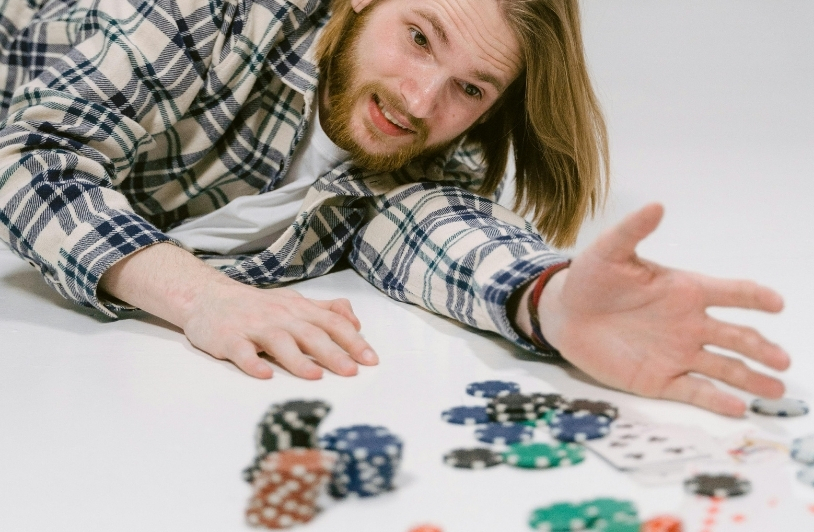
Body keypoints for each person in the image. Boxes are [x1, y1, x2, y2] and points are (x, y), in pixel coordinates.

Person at [0, 0, 788, 417]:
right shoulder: (219, 10)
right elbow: (27, 156)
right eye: (419, 36)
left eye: (470, 89)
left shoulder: (434, 151)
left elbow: (439, 233)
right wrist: (203, 296)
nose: (418, 101)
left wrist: (547, 301)